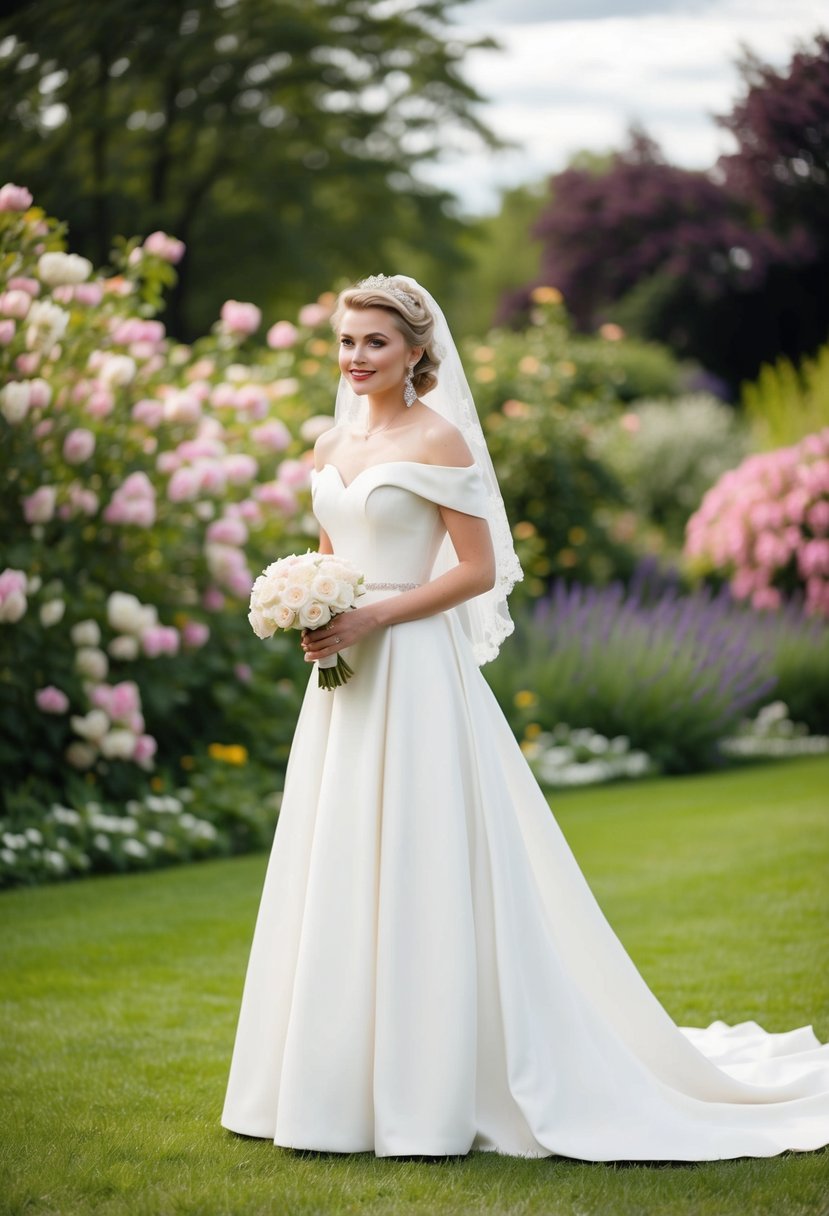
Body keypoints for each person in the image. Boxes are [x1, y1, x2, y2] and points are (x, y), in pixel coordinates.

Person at [221, 274, 829, 1160]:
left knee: (422, 857)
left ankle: (429, 1092)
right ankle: (326, 1089)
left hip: (416, 672)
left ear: (416, 352)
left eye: (374, 343)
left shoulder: (440, 438)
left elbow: (475, 570)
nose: (355, 359)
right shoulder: (328, 440)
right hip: (347, 676)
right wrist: (313, 609)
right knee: (339, 851)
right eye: (347, 343)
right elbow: (330, 552)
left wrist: (377, 614)